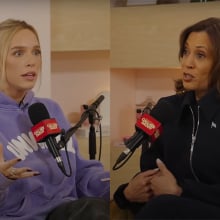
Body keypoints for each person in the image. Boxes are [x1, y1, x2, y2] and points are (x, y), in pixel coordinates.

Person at [0, 18, 109, 220]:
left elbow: (78, 172)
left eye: (36, 51)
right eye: (18, 52)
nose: (31, 61)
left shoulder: (49, 108)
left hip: (69, 210)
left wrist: (115, 183)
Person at [113, 17, 220, 219]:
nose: (187, 63)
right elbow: (152, 170)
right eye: (186, 52)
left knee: (162, 207)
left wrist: (180, 190)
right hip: (168, 207)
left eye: (200, 55)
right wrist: (127, 192)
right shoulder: (168, 108)